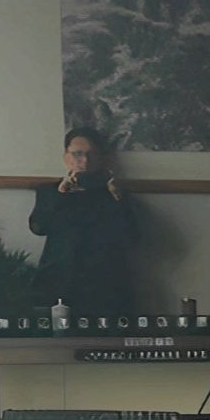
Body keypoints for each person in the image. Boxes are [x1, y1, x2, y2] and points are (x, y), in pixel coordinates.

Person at [26, 127, 141, 318]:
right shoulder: (50, 191)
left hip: (105, 286)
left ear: (101, 158)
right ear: (66, 157)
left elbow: (133, 237)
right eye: (78, 154)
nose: (85, 161)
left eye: (91, 154)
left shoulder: (114, 193)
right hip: (58, 282)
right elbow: (38, 227)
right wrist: (61, 194)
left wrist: (118, 198)